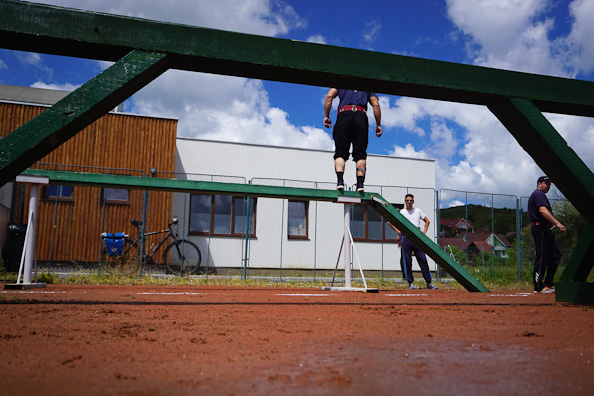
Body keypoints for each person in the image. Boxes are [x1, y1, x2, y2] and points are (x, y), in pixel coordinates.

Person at [323, 88, 382, 192]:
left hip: (344, 115)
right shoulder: (367, 84)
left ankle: (340, 182)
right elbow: (376, 104)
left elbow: (329, 97)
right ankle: (360, 184)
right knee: (360, 154)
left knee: (340, 152)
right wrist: (378, 125)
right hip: (361, 116)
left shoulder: (341, 80)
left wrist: (326, 116)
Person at [388, 194, 438, 290]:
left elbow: (427, 221)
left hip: (417, 238)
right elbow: (390, 222)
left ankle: (429, 282)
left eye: (411, 200)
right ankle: (410, 283)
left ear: (413, 201)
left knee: (423, 260)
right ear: (405, 202)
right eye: (407, 200)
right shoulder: (401, 212)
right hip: (406, 239)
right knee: (407, 261)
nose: (409, 202)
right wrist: (399, 232)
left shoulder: (418, 211)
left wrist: (423, 233)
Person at [527, 176, 566, 293]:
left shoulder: (541, 195)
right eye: (546, 183)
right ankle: (538, 286)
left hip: (545, 228)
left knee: (555, 255)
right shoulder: (538, 194)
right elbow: (543, 210)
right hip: (540, 228)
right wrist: (558, 223)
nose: (548, 186)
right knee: (542, 256)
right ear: (539, 184)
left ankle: (548, 283)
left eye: (550, 184)